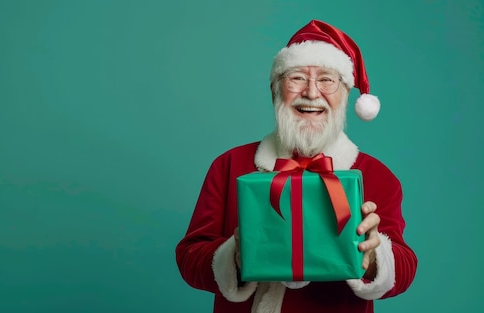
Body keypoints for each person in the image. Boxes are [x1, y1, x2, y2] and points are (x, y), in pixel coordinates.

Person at [175, 20, 418, 313]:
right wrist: (236, 255)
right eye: (297, 78)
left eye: (327, 79)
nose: (312, 93)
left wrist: (375, 255)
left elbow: (404, 270)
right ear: (275, 90)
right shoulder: (229, 165)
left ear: (345, 93)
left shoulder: (377, 175)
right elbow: (189, 259)